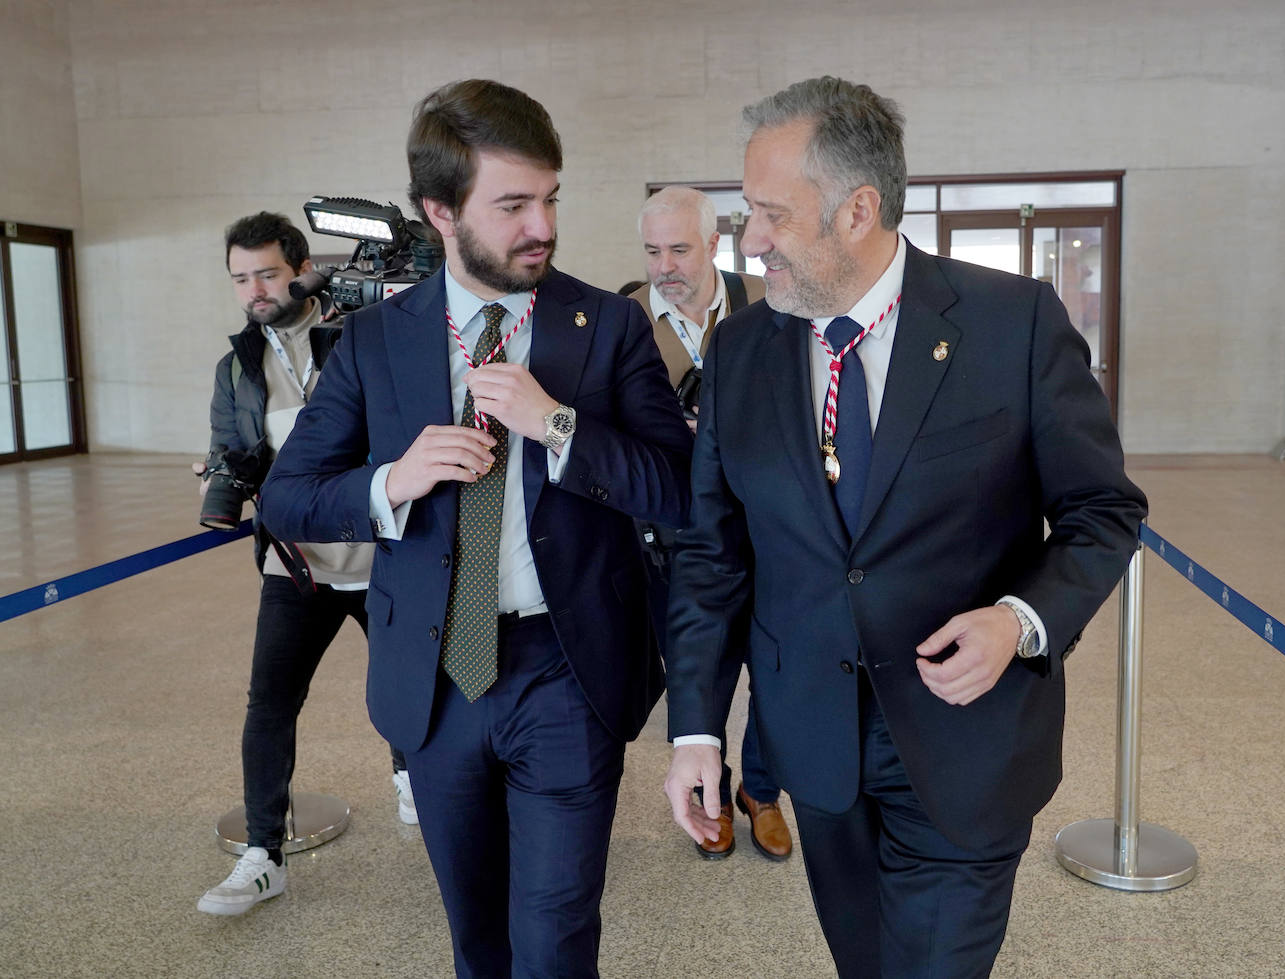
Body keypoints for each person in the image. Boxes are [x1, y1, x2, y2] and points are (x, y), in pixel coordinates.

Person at [663, 76, 1147, 978]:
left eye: (771, 214)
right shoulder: (743, 350)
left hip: (968, 742)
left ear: (859, 209)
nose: (750, 241)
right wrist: (695, 726)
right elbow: (710, 553)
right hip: (816, 745)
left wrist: (1019, 619)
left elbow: (1103, 510)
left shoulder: (1012, 325)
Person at [259, 80, 693, 976]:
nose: (542, 225)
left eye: (551, 198)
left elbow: (678, 487)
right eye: (512, 205)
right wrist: (392, 482)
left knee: (557, 938)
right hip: (433, 680)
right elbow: (287, 497)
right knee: (476, 941)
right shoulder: (375, 338)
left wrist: (560, 426)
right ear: (440, 212)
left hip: (568, 673)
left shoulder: (607, 325)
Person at [195, 212, 415, 918]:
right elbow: (236, 446)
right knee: (270, 702)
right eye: (239, 278)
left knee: (414, 691)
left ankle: (417, 781)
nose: (254, 290)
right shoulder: (238, 366)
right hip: (297, 567)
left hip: (385, 557)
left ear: (302, 268)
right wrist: (221, 475)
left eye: (266, 273)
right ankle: (264, 855)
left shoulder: (364, 334)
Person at [629, 187, 791, 861]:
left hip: (772, 527)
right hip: (675, 535)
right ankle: (710, 789)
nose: (664, 265)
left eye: (679, 248)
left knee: (779, 667)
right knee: (705, 662)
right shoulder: (624, 318)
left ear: (715, 244)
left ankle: (763, 787)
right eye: (652, 250)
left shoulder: (770, 296)